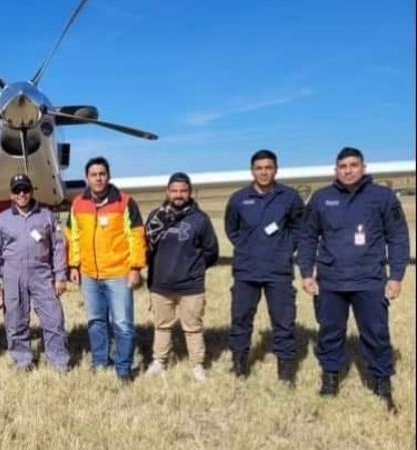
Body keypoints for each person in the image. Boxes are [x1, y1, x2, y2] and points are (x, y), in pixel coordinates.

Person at [298, 147, 409, 410]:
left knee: (376, 332)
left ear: (363, 167)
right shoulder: (321, 198)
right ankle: (330, 377)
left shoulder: (383, 197)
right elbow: (307, 236)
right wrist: (306, 273)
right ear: (335, 170)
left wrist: (396, 276)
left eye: (353, 165)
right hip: (331, 281)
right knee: (329, 332)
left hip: (369, 280)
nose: (348, 171)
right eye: (343, 166)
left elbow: (398, 237)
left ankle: (381, 380)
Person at [224, 150, 304, 385]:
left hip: (278, 270)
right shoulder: (239, 198)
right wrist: (246, 246)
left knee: (283, 321)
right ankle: (239, 366)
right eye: (259, 168)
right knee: (240, 319)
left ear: (276, 170)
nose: (264, 172)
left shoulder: (289, 197)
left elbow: (299, 227)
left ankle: (286, 372)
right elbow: (232, 229)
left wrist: (285, 248)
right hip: (246, 270)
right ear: (252, 171)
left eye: (268, 167)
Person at [66, 156, 146, 382]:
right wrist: (73, 265)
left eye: (102, 174)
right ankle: (100, 362)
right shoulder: (77, 204)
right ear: (87, 178)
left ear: (108, 176)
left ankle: (123, 369)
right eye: (94, 174)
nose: (98, 178)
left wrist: (135, 267)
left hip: (118, 273)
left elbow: (136, 236)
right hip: (89, 275)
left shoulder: (124, 202)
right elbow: (73, 236)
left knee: (122, 324)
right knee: (95, 321)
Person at [0, 174, 70, 372]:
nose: (22, 194)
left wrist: (60, 276)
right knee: (15, 321)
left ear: (32, 191)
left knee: (54, 319)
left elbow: (58, 247)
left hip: (42, 275)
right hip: (13, 277)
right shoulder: (1, 220)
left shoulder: (46, 216)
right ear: (11, 194)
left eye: (25, 189)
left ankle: (59, 361)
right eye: (17, 190)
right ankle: (22, 360)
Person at [144, 172, 219, 381]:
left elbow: (211, 251)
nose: (178, 195)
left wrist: (193, 268)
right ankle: (160, 361)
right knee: (162, 326)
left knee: (193, 328)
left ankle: (197, 365)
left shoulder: (200, 219)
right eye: (174, 190)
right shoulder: (156, 217)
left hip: (191, 286)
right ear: (167, 192)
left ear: (190, 192)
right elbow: (146, 248)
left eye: (183, 191)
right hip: (161, 284)